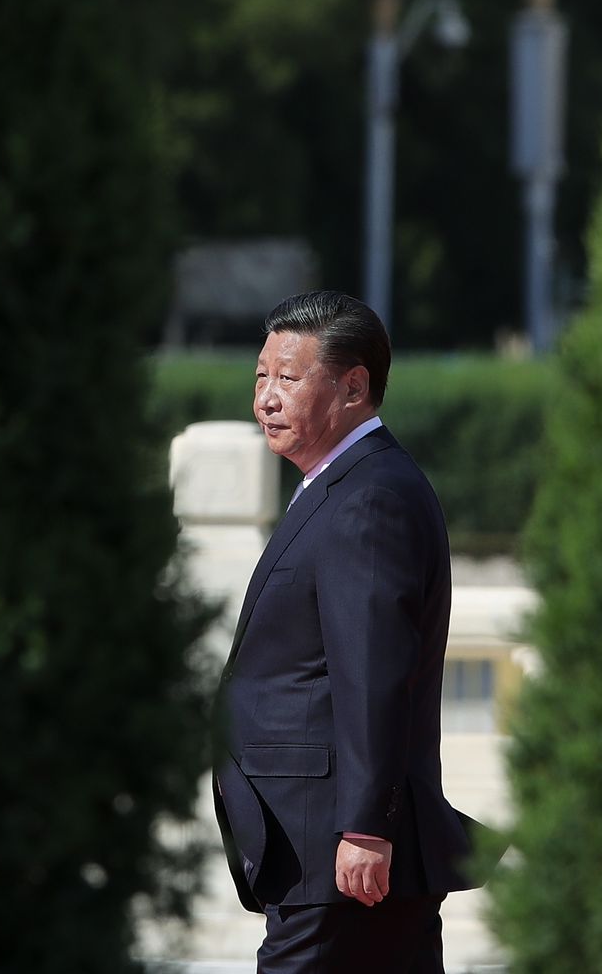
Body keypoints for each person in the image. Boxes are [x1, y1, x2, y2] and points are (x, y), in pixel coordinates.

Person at [213, 291, 488, 974]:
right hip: (323, 845)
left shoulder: (368, 498)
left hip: (336, 849)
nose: (267, 398)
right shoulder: (338, 486)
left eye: (288, 376)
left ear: (354, 386)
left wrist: (365, 826)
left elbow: (373, 670)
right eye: (260, 378)